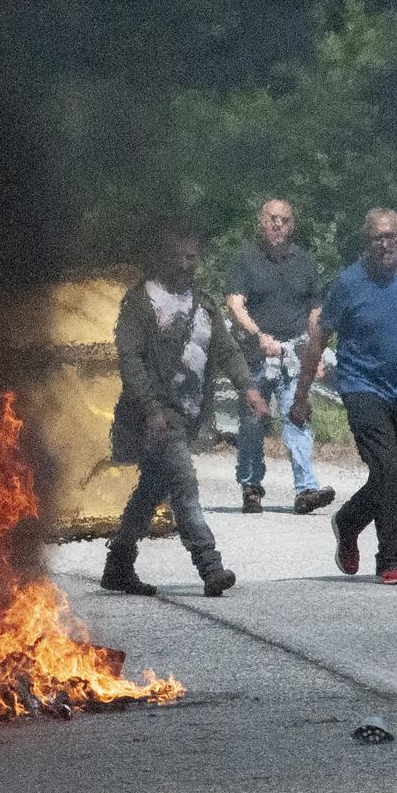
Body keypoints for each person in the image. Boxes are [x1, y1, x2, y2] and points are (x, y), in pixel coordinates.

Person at [103, 221, 268, 597]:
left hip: (186, 416)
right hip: (153, 419)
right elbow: (130, 360)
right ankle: (210, 565)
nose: (184, 263)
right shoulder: (140, 303)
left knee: (150, 490)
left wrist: (248, 388)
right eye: (176, 256)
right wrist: (151, 410)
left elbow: (225, 349)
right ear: (160, 258)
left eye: (191, 256)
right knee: (185, 485)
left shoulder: (204, 304)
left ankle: (118, 565)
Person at [290, 209, 397, 585]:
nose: (386, 244)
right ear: (367, 241)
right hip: (360, 387)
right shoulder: (348, 283)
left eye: (392, 236)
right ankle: (392, 560)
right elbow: (318, 341)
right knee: (387, 470)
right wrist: (300, 396)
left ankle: (348, 521)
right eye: (378, 238)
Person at [224, 198, 335, 515]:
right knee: (252, 422)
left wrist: (317, 352)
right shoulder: (245, 259)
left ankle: (306, 490)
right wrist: (260, 337)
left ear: (292, 225)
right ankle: (251, 487)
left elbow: (316, 311)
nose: (278, 225)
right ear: (261, 221)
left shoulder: (306, 262)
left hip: (295, 353)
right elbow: (235, 304)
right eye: (272, 219)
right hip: (255, 355)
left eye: (284, 220)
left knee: (297, 415)